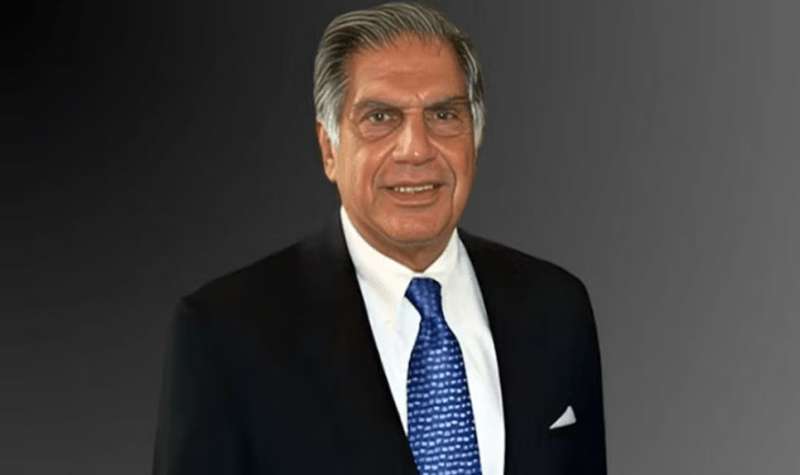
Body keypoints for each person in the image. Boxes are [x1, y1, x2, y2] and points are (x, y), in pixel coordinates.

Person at [153, 3, 606, 474]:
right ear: (329, 148)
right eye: (380, 117)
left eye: (444, 114)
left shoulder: (556, 308)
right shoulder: (225, 335)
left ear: (475, 137)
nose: (416, 149)